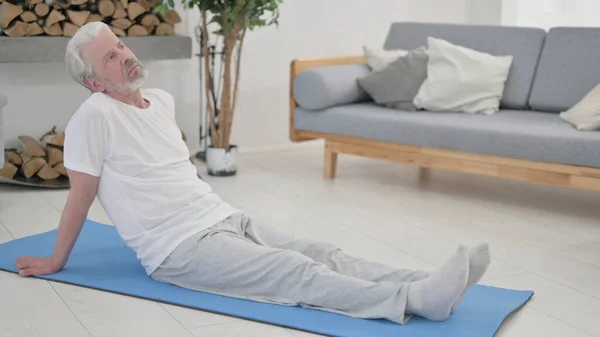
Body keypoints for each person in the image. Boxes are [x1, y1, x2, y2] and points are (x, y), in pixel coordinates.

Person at [14, 22, 491, 325]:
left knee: (322, 251)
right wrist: (57, 260)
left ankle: (426, 281)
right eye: (111, 57)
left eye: (120, 44)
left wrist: (221, 215)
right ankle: (411, 300)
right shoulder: (93, 115)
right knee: (295, 271)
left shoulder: (160, 100)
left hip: (218, 215)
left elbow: (172, 171)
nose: (125, 54)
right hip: (177, 248)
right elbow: (81, 195)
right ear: (95, 81)